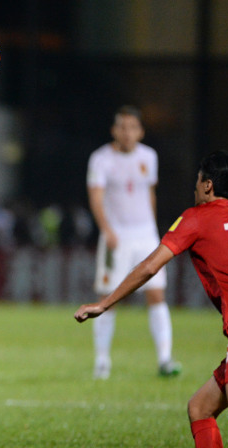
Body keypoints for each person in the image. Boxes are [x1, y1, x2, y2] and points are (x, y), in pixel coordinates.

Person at [75, 150, 228, 448]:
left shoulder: (197, 218)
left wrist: (105, 303)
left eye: (198, 179)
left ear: (208, 185)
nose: (194, 186)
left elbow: (149, 266)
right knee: (200, 408)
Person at [86, 105, 180, 379]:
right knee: (108, 298)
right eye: (122, 127)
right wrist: (107, 231)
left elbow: (149, 193)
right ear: (114, 130)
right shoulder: (101, 159)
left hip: (145, 236)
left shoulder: (149, 157)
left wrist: (152, 230)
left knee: (156, 294)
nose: (127, 133)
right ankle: (102, 361)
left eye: (132, 127)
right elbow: (96, 197)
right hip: (116, 237)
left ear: (140, 131)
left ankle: (165, 359)